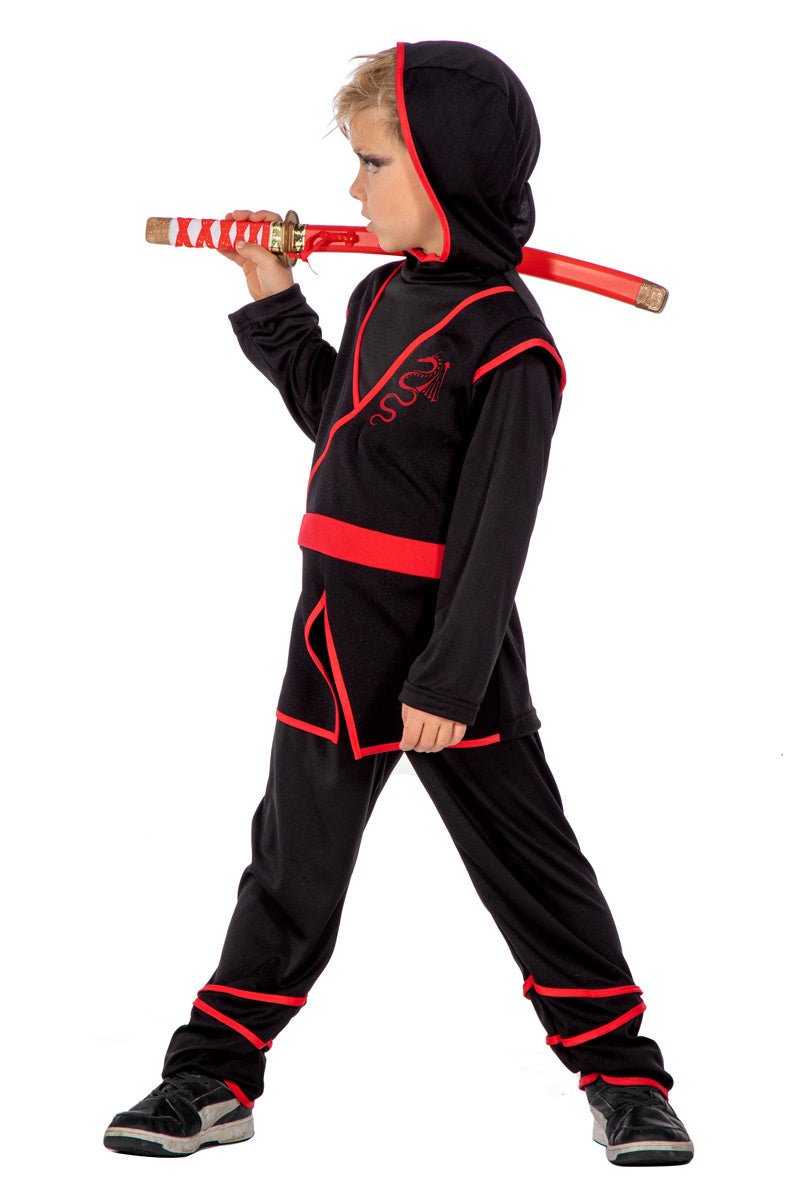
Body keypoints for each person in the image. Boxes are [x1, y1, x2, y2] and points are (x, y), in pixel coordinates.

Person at [104, 39, 693, 1168]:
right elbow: (338, 420)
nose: (352, 187)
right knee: (290, 866)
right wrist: (272, 292)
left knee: (529, 863)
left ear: (443, 172)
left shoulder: (511, 342)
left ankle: (626, 1079)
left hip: (446, 648)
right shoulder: (380, 291)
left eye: (373, 163)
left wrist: (449, 679)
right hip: (334, 633)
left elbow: (493, 535)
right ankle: (211, 1076)